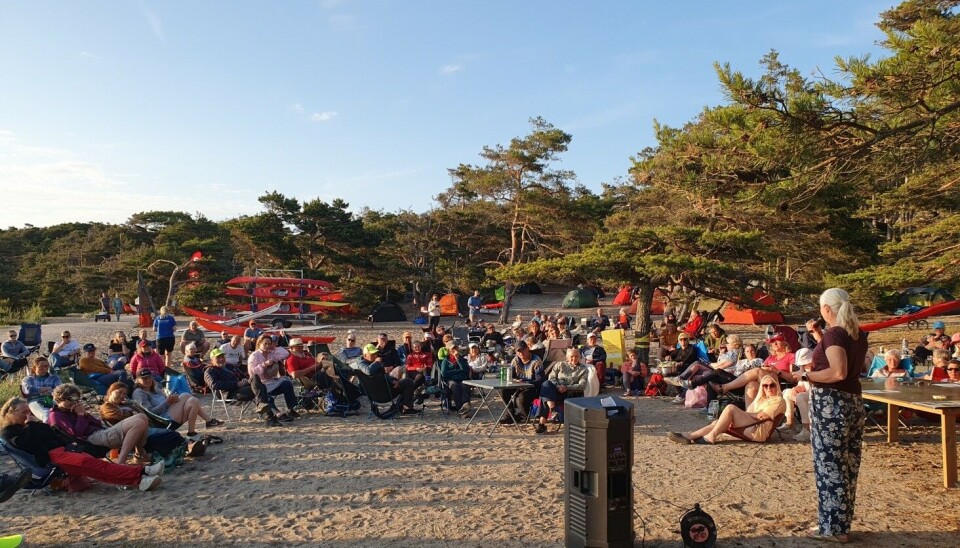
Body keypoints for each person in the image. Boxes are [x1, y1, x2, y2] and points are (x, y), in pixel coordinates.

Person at [804, 288, 868, 543]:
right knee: (848, 466)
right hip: (853, 402)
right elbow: (856, 368)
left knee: (829, 466)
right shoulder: (857, 334)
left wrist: (806, 375)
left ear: (826, 310)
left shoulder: (835, 334)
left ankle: (832, 530)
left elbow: (837, 372)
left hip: (832, 404)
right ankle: (840, 525)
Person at [0, 398, 163, 492]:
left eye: (29, 412)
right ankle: (141, 473)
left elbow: (50, 434)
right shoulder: (10, 432)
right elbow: (31, 446)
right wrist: (31, 425)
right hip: (52, 458)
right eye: (24, 413)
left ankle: (139, 479)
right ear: (10, 413)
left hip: (62, 450)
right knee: (91, 464)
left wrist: (35, 426)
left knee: (94, 466)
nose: (28, 415)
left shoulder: (26, 426)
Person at [668, 373, 785, 444]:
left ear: (777, 386)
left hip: (759, 432)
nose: (768, 388)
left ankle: (711, 437)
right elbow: (756, 414)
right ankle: (689, 436)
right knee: (718, 422)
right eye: (765, 386)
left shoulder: (778, 400)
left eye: (772, 385)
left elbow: (763, 416)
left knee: (730, 408)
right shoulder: (762, 399)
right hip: (753, 425)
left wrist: (749, 414)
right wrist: (752, 414)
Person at [48, 384, 150, 465]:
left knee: (142, 417)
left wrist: (84, 414)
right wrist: (80, 415)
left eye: (76, 399)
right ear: (60, 399)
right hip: (89, 440)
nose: (74, 402)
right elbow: (76, 434)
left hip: (100, 432)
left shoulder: (72, 410)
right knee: (138, 422)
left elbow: (97, 423)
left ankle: (139, 454)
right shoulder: (56, 415)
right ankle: (121, 461)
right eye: (71, 399)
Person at [132, 369, 222, 436]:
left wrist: (171, 400)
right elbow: (151, 413)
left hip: (169, 413)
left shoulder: (155, 389)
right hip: (162, 421)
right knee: (185, 395)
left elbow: (165, 402)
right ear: (138, 380)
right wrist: (167, 402)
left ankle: (192, 432)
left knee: (193, 401)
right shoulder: (139, 393)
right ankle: (209, 421)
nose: (147, 380)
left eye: (149, 377)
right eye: (144, 379)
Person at [205, 348, 282, 426]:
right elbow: (214, 385)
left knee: (255, 378)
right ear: (212, 360)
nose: (221, 359)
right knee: (261, 388)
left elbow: (242, 375)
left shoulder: (229, 366)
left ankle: (264, 409)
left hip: (242, 388)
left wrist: (244, 379)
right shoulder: (210, 371)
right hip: (230, 393)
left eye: (222, 357)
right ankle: (269, 416)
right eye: (218, 358)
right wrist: (236, 384)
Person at [534, 348, 587, 434]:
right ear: (567, 357)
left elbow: (582, 385)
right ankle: (550, 402)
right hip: (555, 390)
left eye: (576, 356)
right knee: (546, 383)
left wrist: (566, 387)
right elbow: (551, 378)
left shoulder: (583, 369)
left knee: (545, 397)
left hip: (568, 394)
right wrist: (558, 386)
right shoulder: (559, 365)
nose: (574, 358)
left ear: (580, 357)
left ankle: (542, 424)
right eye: (571, 356)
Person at [248, 336, 300, 420]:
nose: (267, 346)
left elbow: (286, 354)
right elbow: (252, 372)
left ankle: (291, 409)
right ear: (259, 343)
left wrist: (274, 348)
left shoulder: (271, 353)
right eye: (265, 344)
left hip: (271, 381)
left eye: (269, 344)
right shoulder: (254, 355)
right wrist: (264, 365)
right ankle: (277, 413)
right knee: (267, 396)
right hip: (260, 384)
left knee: (287, 383)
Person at [358, 344, 418, 414]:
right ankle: (406, 407)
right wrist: (377, 362)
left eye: (376, 353)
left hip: (385, 390)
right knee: (408, 382)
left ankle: (403, 406)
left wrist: (393, 380)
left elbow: (384, 375)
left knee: (405, 381)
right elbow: (368, 371)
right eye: (372, 354)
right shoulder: (362, 364)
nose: (375, 356)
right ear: (365, 355)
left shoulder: (374, 364)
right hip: (382, 394)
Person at [500, 341, 544, 423]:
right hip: (518, 385)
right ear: (516, 352)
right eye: (519, 351)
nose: (521, 353)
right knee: (503, 390)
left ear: (528, 349)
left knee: (523, 396)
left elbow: (540, 380)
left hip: (533, 387)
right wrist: (514, 380)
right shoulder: (515, 360)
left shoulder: (536, 360)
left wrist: (525, 382)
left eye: (523, 350)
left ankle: (522, 416)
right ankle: (511, 413)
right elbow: (511, 376)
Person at [782, 348, 814, 443]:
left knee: (801, 397)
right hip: (806, 392)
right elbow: (801, 384)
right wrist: (796, 388)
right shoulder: (802, 368)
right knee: (787, 392)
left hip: (815, 394)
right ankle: (789, 422)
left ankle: (807, 429)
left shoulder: (817, 367)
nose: (803, 365)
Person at [21, 356, 61, 421]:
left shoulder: (54, 378)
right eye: (41, 367)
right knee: (46, 414)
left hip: (51, 399)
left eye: (47, 366)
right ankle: (51, 426)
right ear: (34, 368)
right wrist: (47, 389)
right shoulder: (28, 379)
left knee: (62, 410)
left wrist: (42, 391)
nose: (45, 369)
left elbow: (59, 390)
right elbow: (28, 390)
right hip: (35, 400)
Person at [439, 345, 471, 415]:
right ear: (449, 351)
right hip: (450, 380)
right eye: (452, 349)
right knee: (455, 386)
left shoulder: (462, 359)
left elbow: (466, 370)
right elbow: (444, 373)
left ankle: (465, 405)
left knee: (465, 385)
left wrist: (458, 359)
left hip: (461, 379)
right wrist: (458, 371)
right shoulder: (445, 361)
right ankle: (460, 409)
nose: (455, 350)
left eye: (456, 348)